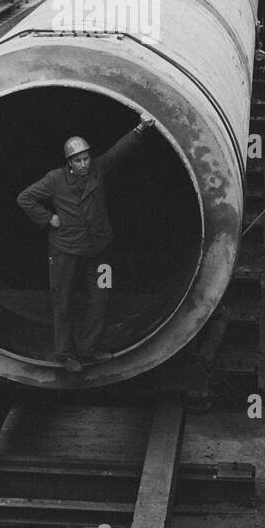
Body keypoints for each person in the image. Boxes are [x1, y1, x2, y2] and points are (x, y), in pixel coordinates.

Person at [16, 114, 155, 372]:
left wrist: (140, 129)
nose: (84, 164)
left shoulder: (97, 169)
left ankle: (90, 349)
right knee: (63, 301)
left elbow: (117, 152)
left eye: (86, 158)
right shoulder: (54, 179)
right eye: (78, 160)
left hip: (97, 250)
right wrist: (48, 219)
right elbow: (25, 198)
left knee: (101, 298)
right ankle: (66, 355)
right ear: (68, 162)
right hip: (65, 251)